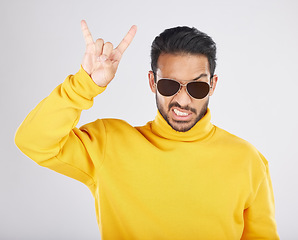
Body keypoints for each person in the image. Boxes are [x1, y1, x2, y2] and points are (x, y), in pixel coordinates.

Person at [15, 20, 279, 239]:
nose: (183, 101)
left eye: (197, 87)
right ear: (152, 82)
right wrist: (85, 84)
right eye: (170, 85)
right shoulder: (109, 144)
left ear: (213, 85)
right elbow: (33, 141)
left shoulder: (247, 160)